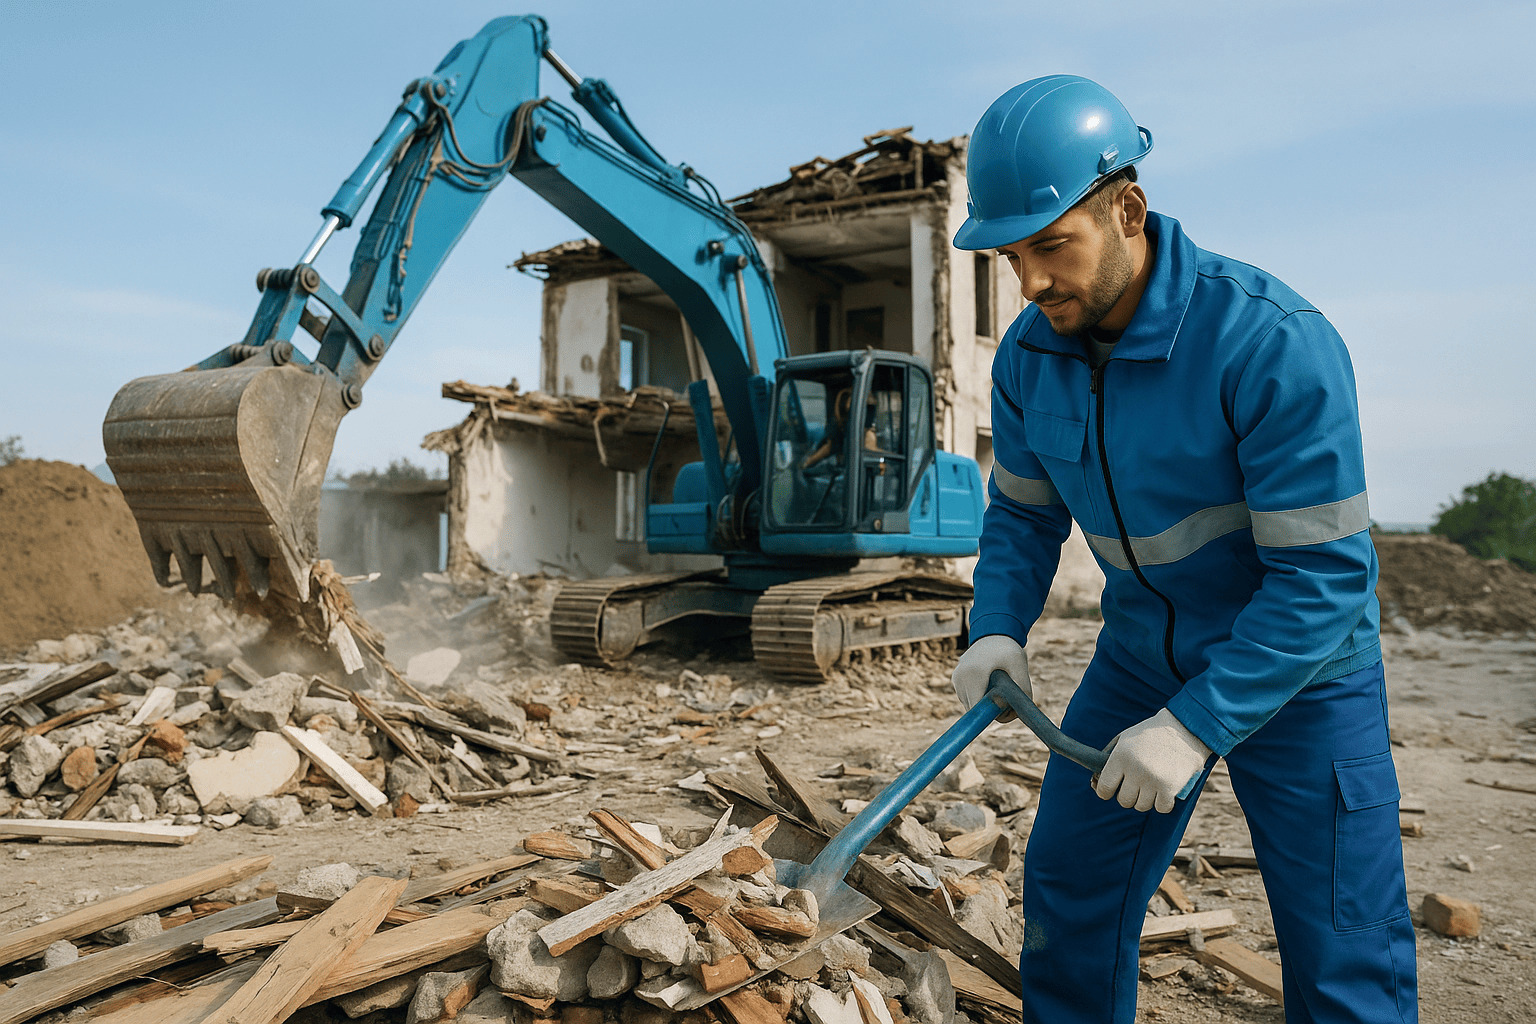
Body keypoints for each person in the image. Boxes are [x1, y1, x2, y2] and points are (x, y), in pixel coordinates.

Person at [948, 76, 1417, 1023]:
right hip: (1138, 662)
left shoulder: (1271, 343)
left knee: (1343, 943)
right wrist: (996, 626)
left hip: (1300, 675)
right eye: (1010, 257)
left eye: (1051, 246)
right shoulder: (1027, 357)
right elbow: (1023, 515)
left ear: (1128, 209)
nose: (1032, 284)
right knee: (1073, 890)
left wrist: (1198, 724)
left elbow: (1324, 577)